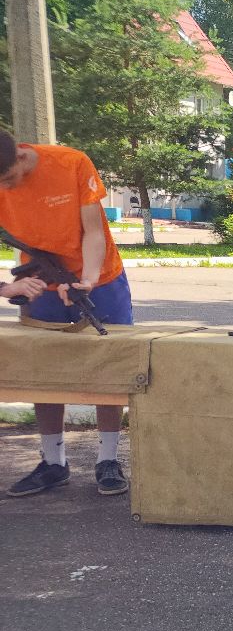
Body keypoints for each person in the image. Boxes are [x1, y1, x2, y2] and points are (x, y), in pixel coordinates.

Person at [0, 130, 134, 497]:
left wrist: (87, 280)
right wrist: (7, 288)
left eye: (8, 179)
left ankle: (108, 459)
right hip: (41, 278)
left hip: (101, 278)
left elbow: (93, 231)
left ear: (22, 155)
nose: (6, 190)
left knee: (109, 368)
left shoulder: (71, 163)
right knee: (43, 371)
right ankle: (53, 462)